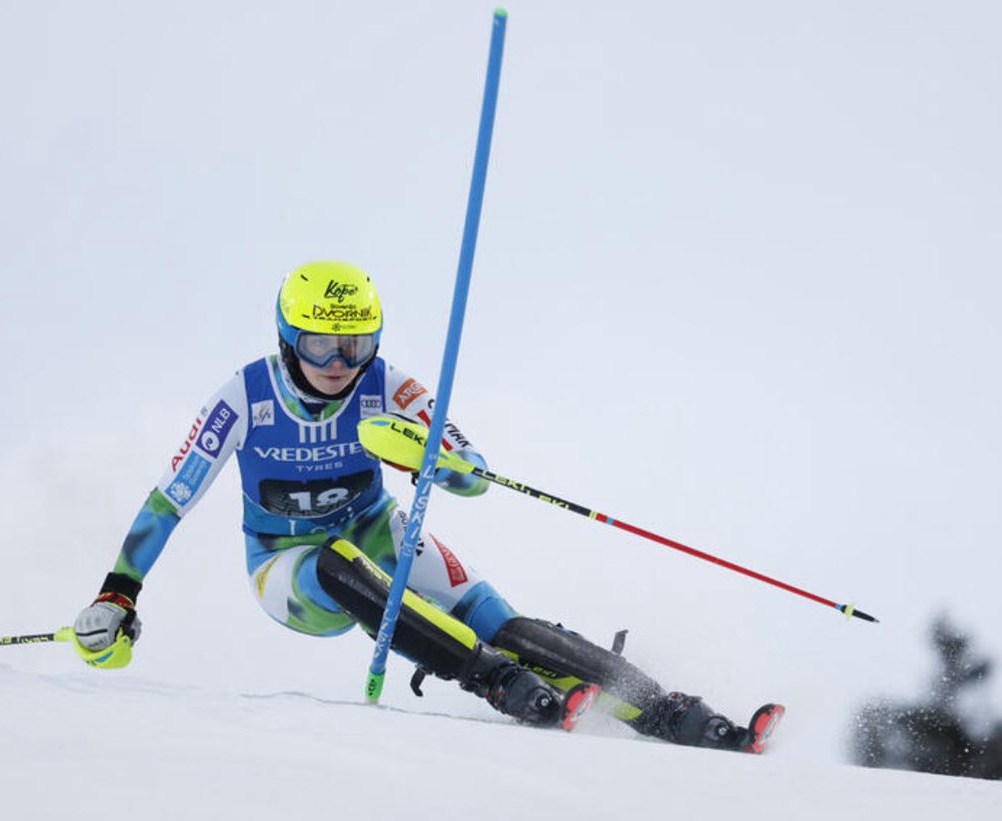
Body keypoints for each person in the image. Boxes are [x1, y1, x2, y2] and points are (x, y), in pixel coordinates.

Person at [73, 260, 755, 749]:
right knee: (336, 562)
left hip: (377, 529)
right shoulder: (243, 397)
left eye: (357, 343)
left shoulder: (385, 386)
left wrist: (434, 459)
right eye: (320, 344)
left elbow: (472, 472)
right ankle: (494, 680)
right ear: (287, 337)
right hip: (288, 568)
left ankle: (665, 707)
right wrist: (118, 595)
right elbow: (169, 500)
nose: (340, 362)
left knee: (496, 616)